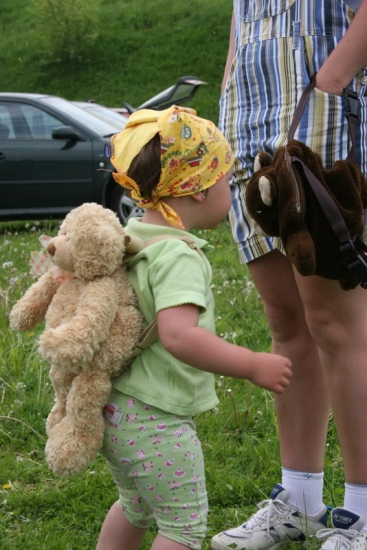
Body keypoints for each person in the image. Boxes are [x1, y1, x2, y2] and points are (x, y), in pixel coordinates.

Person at [95, 105, 292, 550]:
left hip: (117, 408)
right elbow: (179, 335)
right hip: (155, 418)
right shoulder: (179, 256)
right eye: (227, 179)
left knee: (136, 504)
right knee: (183, 525)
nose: (231, 189)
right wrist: (252, 364)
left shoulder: (135, 236)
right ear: (199, 190)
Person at [211, 1, 367, 550]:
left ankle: (363, 511)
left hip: (322, 101)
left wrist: (333, 77)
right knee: (286, 321)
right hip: (249, 109)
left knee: (336, 321)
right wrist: (230, 85)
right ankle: (298, 500)